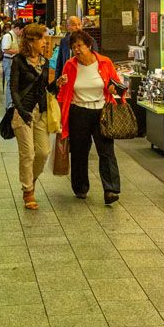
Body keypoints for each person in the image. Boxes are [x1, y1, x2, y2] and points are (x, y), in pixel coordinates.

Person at [56, 30, 124, 205]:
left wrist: (113, 89)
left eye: (79, 46)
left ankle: (111, 189)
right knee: (79, 151)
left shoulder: (104, 62)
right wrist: (59, 86)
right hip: (78, 112)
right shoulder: (70, 65)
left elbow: (118, 85)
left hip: (101, 111)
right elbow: (63, 91)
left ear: (89, 45)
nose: (76, 50)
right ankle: (80, 187)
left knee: (106, 151)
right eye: (73, 47)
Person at [10, 23, 54, 210]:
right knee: (27, 153)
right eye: (42, 38)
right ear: (32, 41)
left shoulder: (45, 62)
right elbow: (13, 88)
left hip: (41, 112)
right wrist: (21, 110)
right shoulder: (18, 61)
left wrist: (58, 83)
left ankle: (31, 179)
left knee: (43, 152)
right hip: (22, 113)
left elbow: (47, 89)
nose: (45, 42)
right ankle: (28, 191)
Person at [2, 19, 23, 107]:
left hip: (13, 61)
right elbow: (5, 50)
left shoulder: (15, 36)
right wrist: (18, 51)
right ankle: (9, 104)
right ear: (17, 28)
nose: (22, 33)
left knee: (13, 82)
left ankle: (12, 102)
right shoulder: (8, 36)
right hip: (8, 61)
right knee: (10, 82)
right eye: (22, 30)